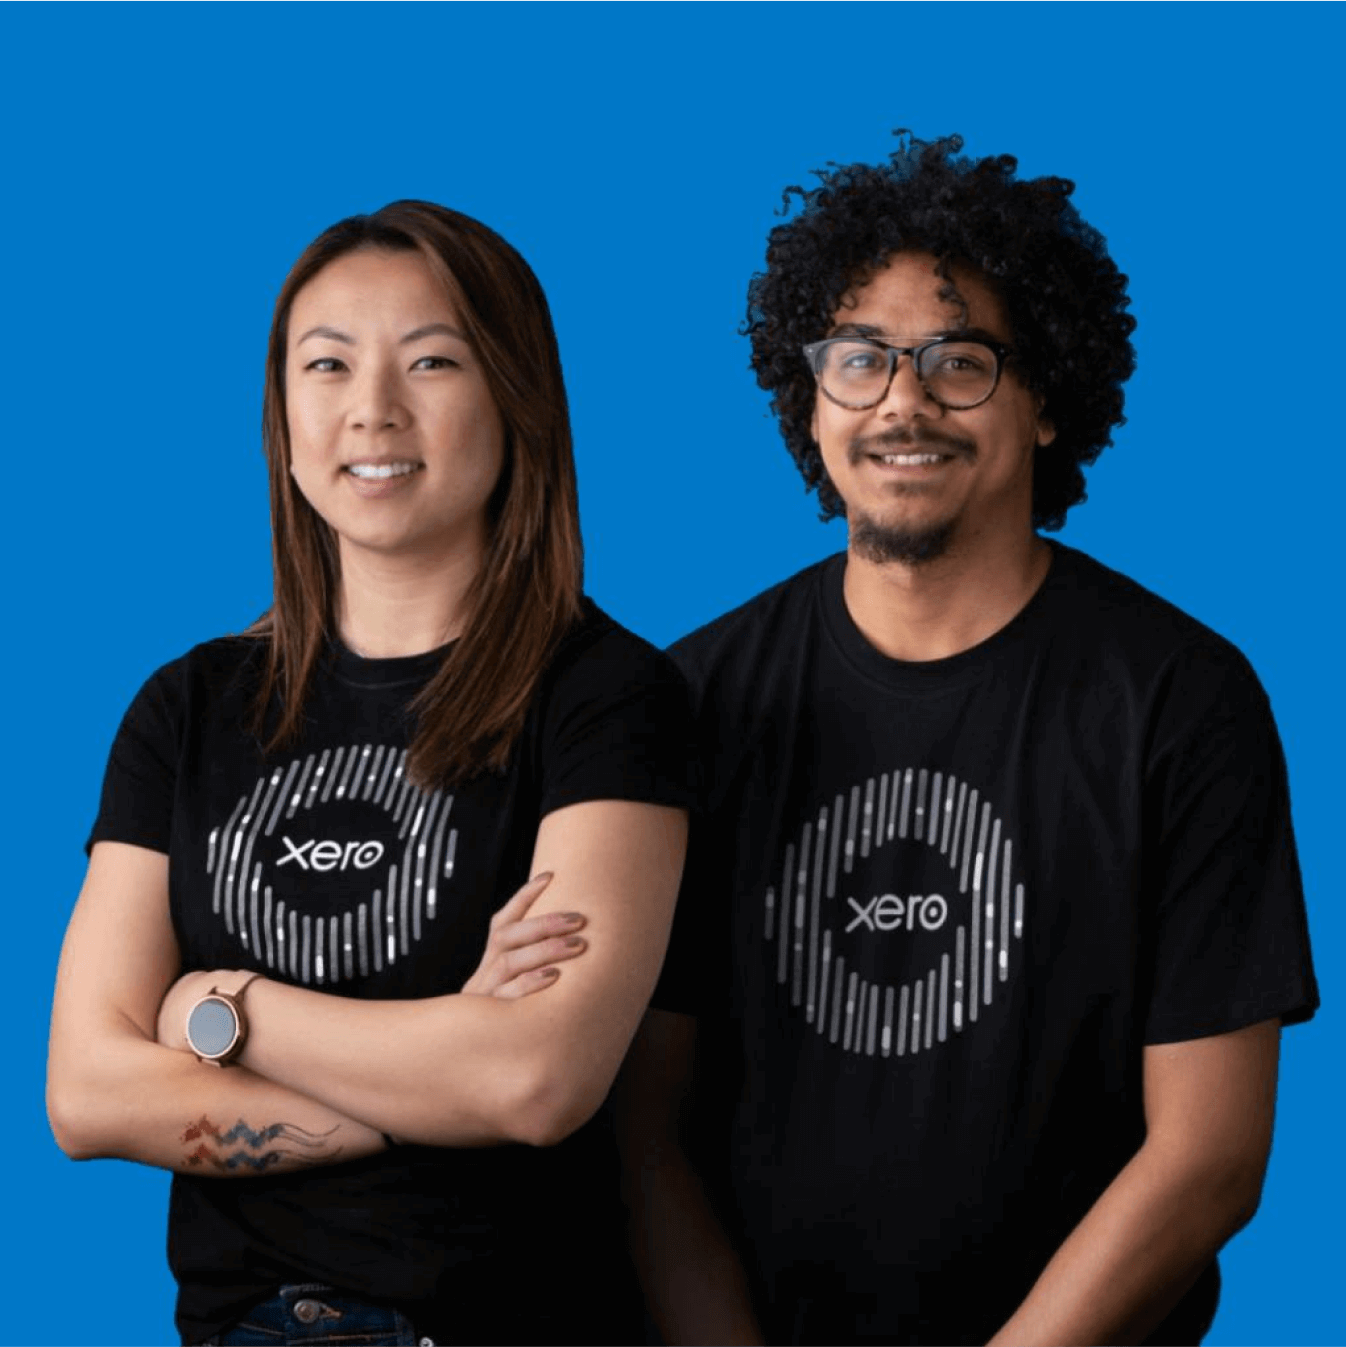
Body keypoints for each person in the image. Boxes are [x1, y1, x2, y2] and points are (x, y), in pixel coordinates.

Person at [616, 134, 1318, 1346]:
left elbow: (1208, 1155)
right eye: (859, 360)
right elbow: (641, 1133)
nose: (902, 402)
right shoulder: (692, 698)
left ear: (1046, 399)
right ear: (809, 397)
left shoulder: (1180, 699)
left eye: (958, 362)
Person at [47, 200, 693, 1347]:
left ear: (514, 397)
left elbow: (535, 1083)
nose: (372, 409)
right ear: (282, 417)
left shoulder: (605, 698)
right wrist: (436, 1069)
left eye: (432, 360)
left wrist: (220, 1009)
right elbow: (88, 1093)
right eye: (327, 363)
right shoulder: (185, 708)